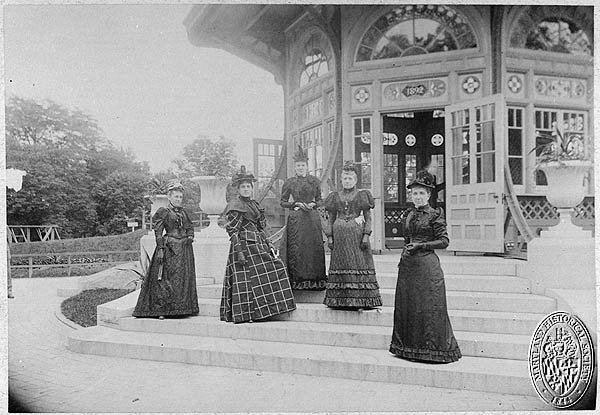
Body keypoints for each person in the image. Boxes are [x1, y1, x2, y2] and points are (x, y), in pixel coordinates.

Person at [390, 170, 461, 363]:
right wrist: (404, 254)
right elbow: (407, 238)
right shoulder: (409, 214)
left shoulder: (435, 215)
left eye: (422, 193)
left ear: (429, 195)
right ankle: (409, 348)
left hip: (427, 266)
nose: (418, 197)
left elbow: (444, 241)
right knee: (410, 305)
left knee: (429, 307)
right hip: (408, 266)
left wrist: (421, 246)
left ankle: (430, 351)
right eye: (415, 193)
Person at [220, 166, 296, 323]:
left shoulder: (254, 204)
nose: (246, 189)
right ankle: (248, 314)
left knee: (276, 267)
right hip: (244, 246)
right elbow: (233, 231)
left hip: (258, 243)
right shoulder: (236, 206)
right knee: (248, 281)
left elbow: (262, 227)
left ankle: (267, 310)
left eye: (248, 186)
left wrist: (270, 244)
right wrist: (239, 251)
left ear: (252, 189)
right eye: (243, 187)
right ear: (238, 189)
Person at [133, 180, 199, 318]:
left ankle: (182, 308)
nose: (179, 199)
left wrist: (190, 237)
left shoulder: (184, 213)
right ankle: (162, 311)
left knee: (182, 279)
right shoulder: (164, 211)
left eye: (180, 197)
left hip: (184, 249)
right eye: (176, 197)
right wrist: (161, 248)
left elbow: (190, 227)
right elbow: (158, 230)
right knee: (166, 279)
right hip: (169, 248)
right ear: (169, 197)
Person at [322, 162, 382, 310]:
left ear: (355, 180)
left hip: (356, 234)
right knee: (341, 262)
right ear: (341, 180)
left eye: (350, 178)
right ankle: (340, 300)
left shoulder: (362, 195)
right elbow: (330, 218)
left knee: (358, 262)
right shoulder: (335, 196)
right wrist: (329, 236)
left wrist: (366, 235)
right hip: (340, 235)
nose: (347, 181)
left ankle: (361, 300)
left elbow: (368, 218)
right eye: (345, 178)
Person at [279, 145, 327, 290]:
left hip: (312, 218)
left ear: (307, 166)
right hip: (297, 218)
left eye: (303, 165)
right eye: (298, 165)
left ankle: (315, 280)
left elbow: (320, 200)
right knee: (298, 248)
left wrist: (313, 204)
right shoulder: (290, 182)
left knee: (313, 247)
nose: (300, 168)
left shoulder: (314, 181)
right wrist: (296, 203)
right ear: (295, 167)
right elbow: (283, 202)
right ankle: (297, 280)